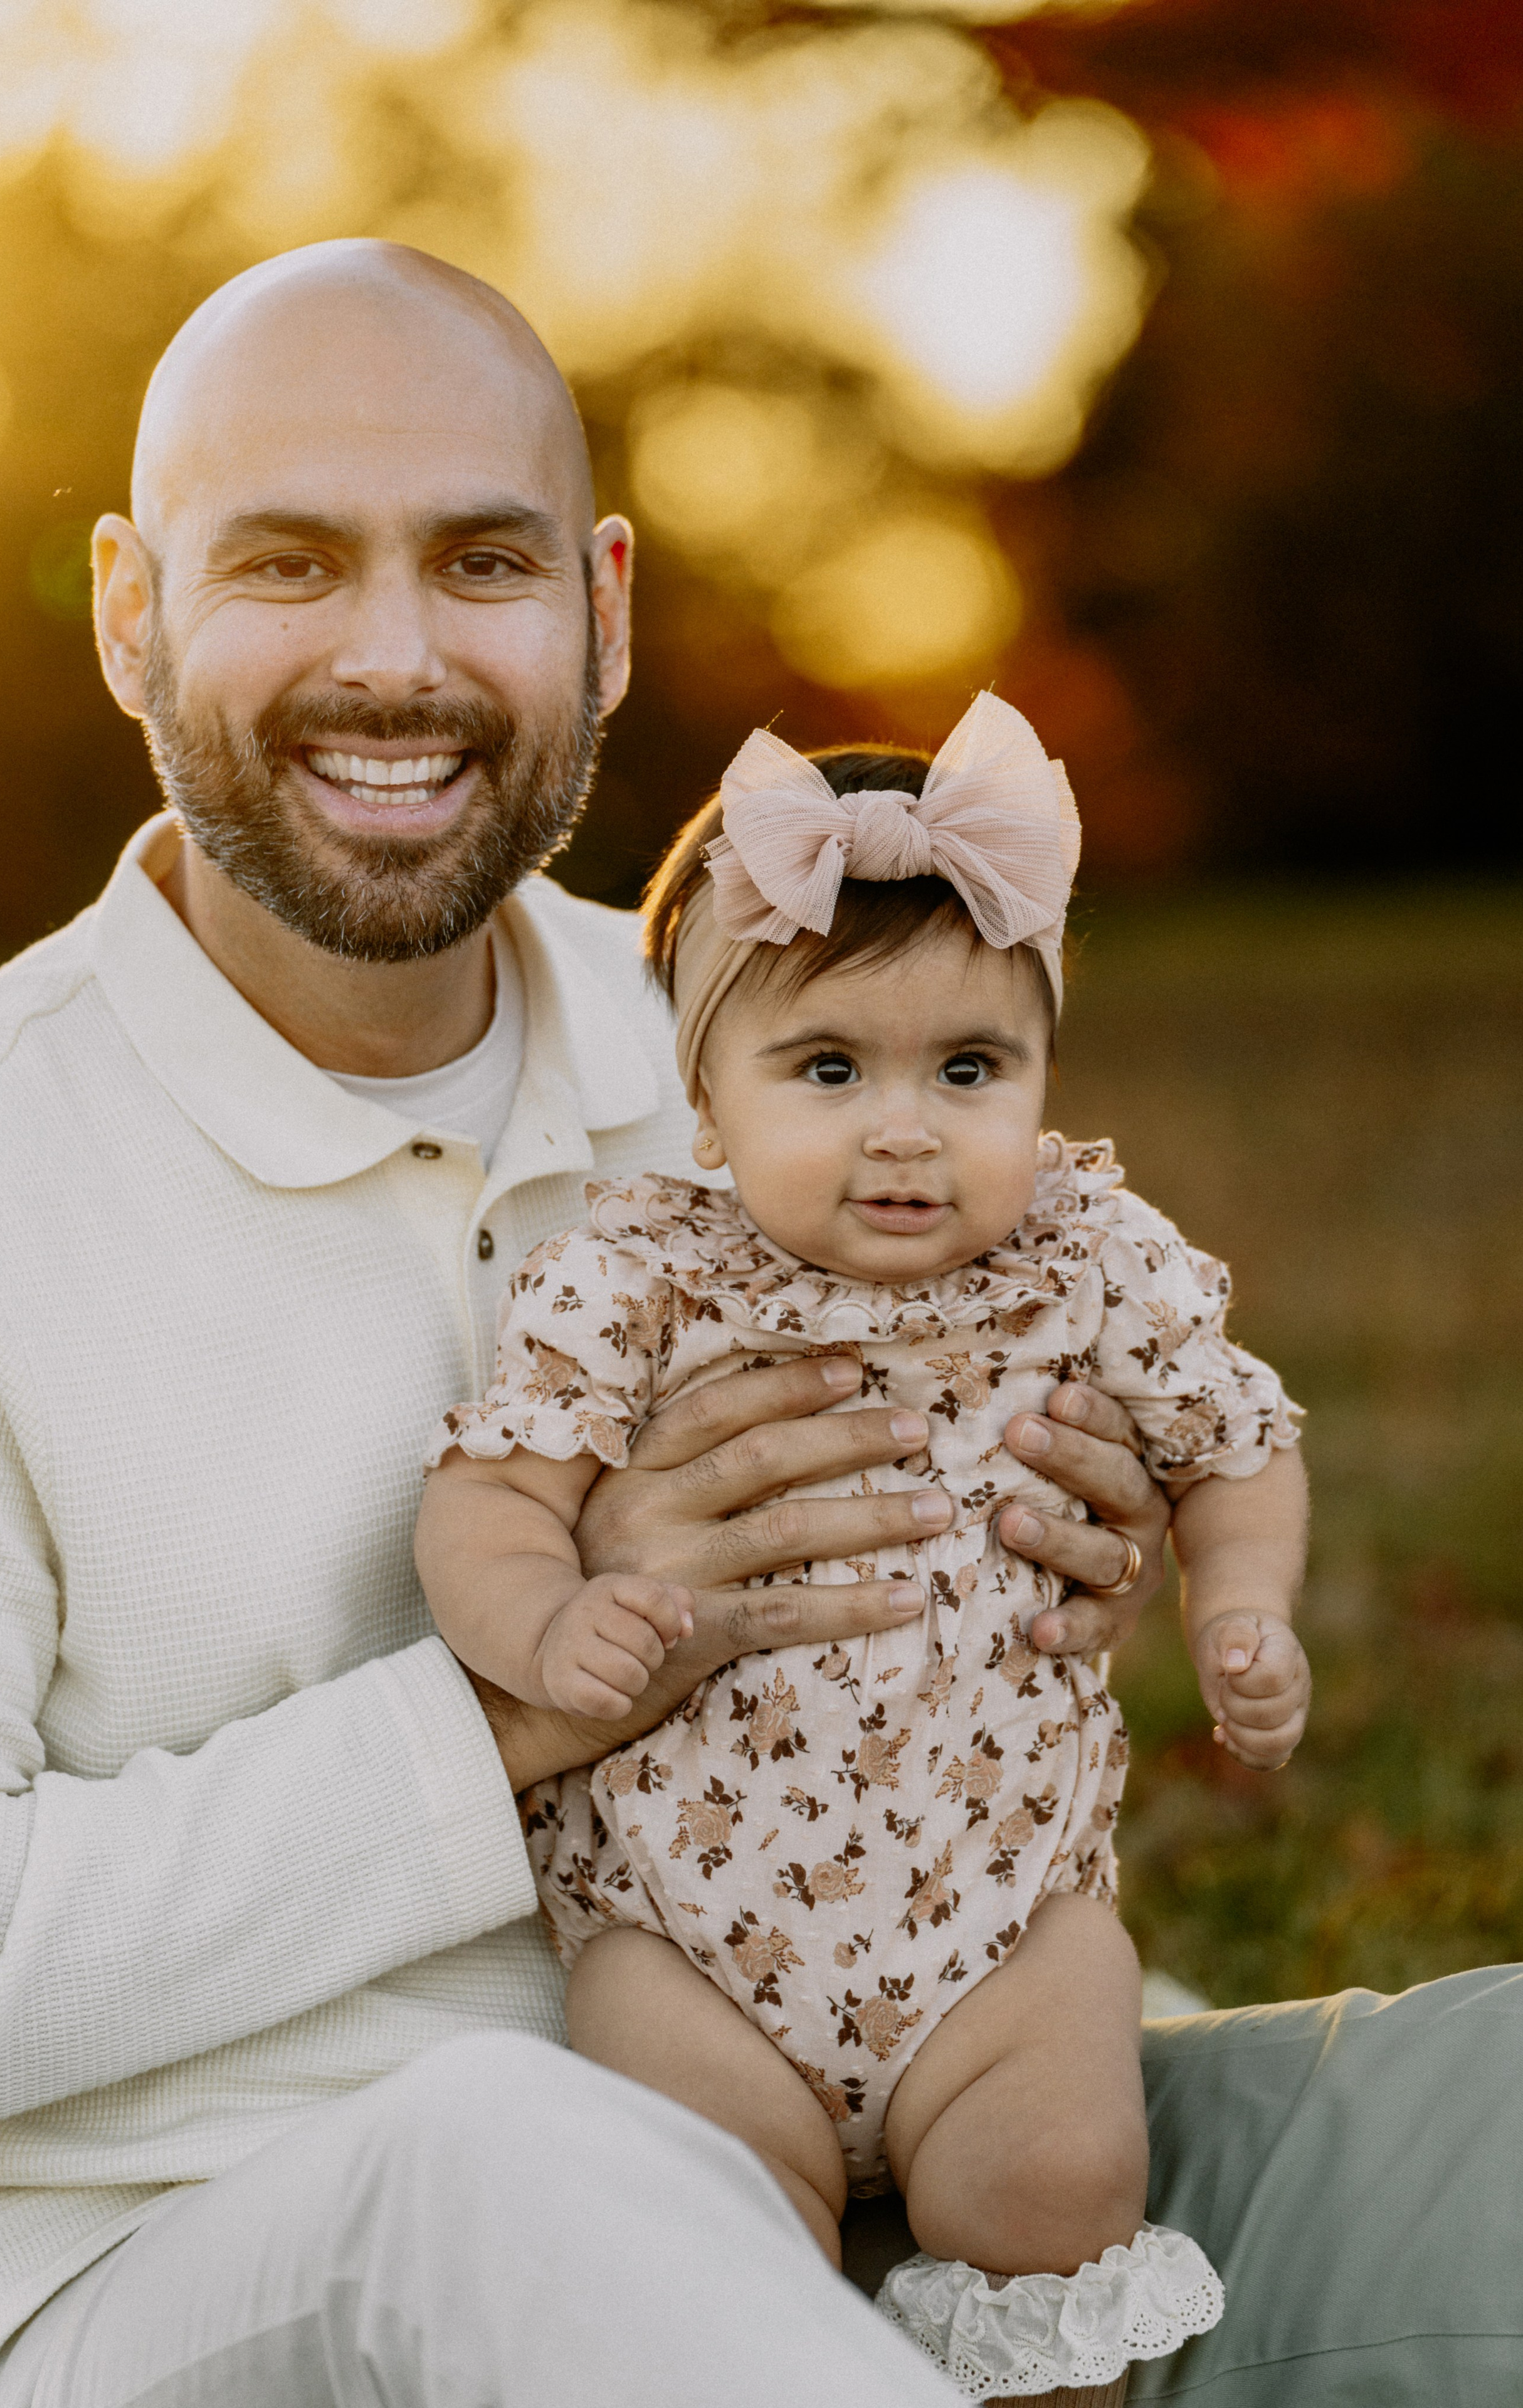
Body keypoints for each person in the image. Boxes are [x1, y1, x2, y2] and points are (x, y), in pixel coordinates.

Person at [0, 238, 1519, 2408]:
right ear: (129, 609)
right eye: (287, 562)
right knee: (508, 2164)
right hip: (248, 2262)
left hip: (917, 2152)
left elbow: (1119, 1413)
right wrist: (516, 1705)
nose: (393, 659)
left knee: (1492, 2118)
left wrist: (1085, 1535)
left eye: (479, 562)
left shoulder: (794, 1050)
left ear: (604, 607)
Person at [418, 699, 1310, 2400]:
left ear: (1043, 1074)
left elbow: (1236, 1446)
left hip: (1002, 1925)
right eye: (830, 1069)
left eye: (968, 1069)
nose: (906, 1126)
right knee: (702, 2226)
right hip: (692, 1938)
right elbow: (489, 1497)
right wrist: (540, 1625)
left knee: (1054, 2182)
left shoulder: (1090, 1254)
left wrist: (1245, 1605)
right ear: (704, 1097)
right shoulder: (640, 1275)